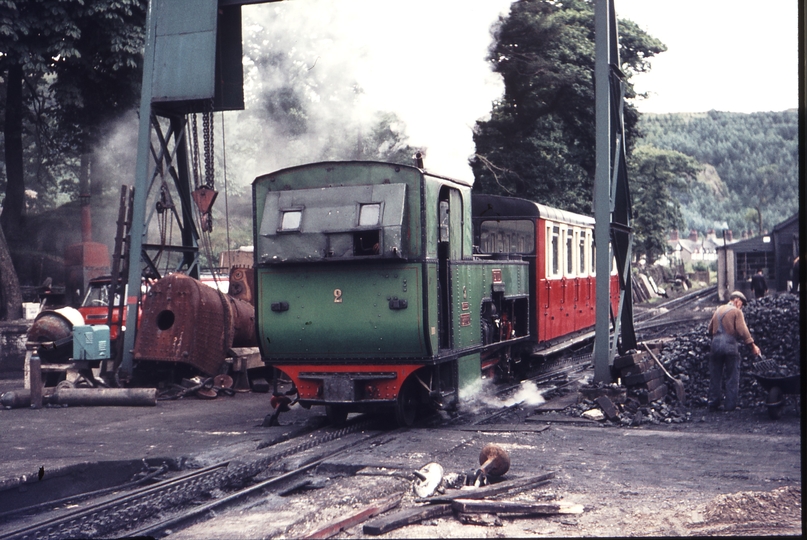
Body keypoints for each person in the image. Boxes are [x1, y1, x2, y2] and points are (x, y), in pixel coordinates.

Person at [706, 291, 761, 412]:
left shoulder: (718, 310)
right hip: (730, 345)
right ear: (737, 300)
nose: (741, 306)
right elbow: (743, 330)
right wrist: (752, 346)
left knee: (715, 375)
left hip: (715, 345)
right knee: (732, 375)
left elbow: (710, 329)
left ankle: (713, 403)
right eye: (741, 303)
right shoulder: (737, 311)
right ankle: (730, 406)